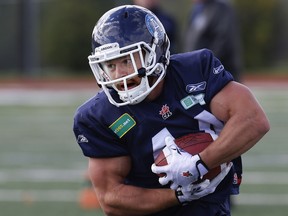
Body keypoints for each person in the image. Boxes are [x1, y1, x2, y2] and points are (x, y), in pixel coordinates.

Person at [73, 5, 270, 216]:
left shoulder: (196, 70)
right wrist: (179, 195)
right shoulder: (98, 116)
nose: (119, 74)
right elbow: (111, 198)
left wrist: (200, 163)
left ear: (154, 52)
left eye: (126, 60)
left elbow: (252, 119)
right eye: (110, 66)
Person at [184, 0, 243, 81]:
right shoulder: (197, 10)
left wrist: (207, 64)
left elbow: (223, 40)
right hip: (200, 72)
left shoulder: (221, 8)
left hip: (220, 72)